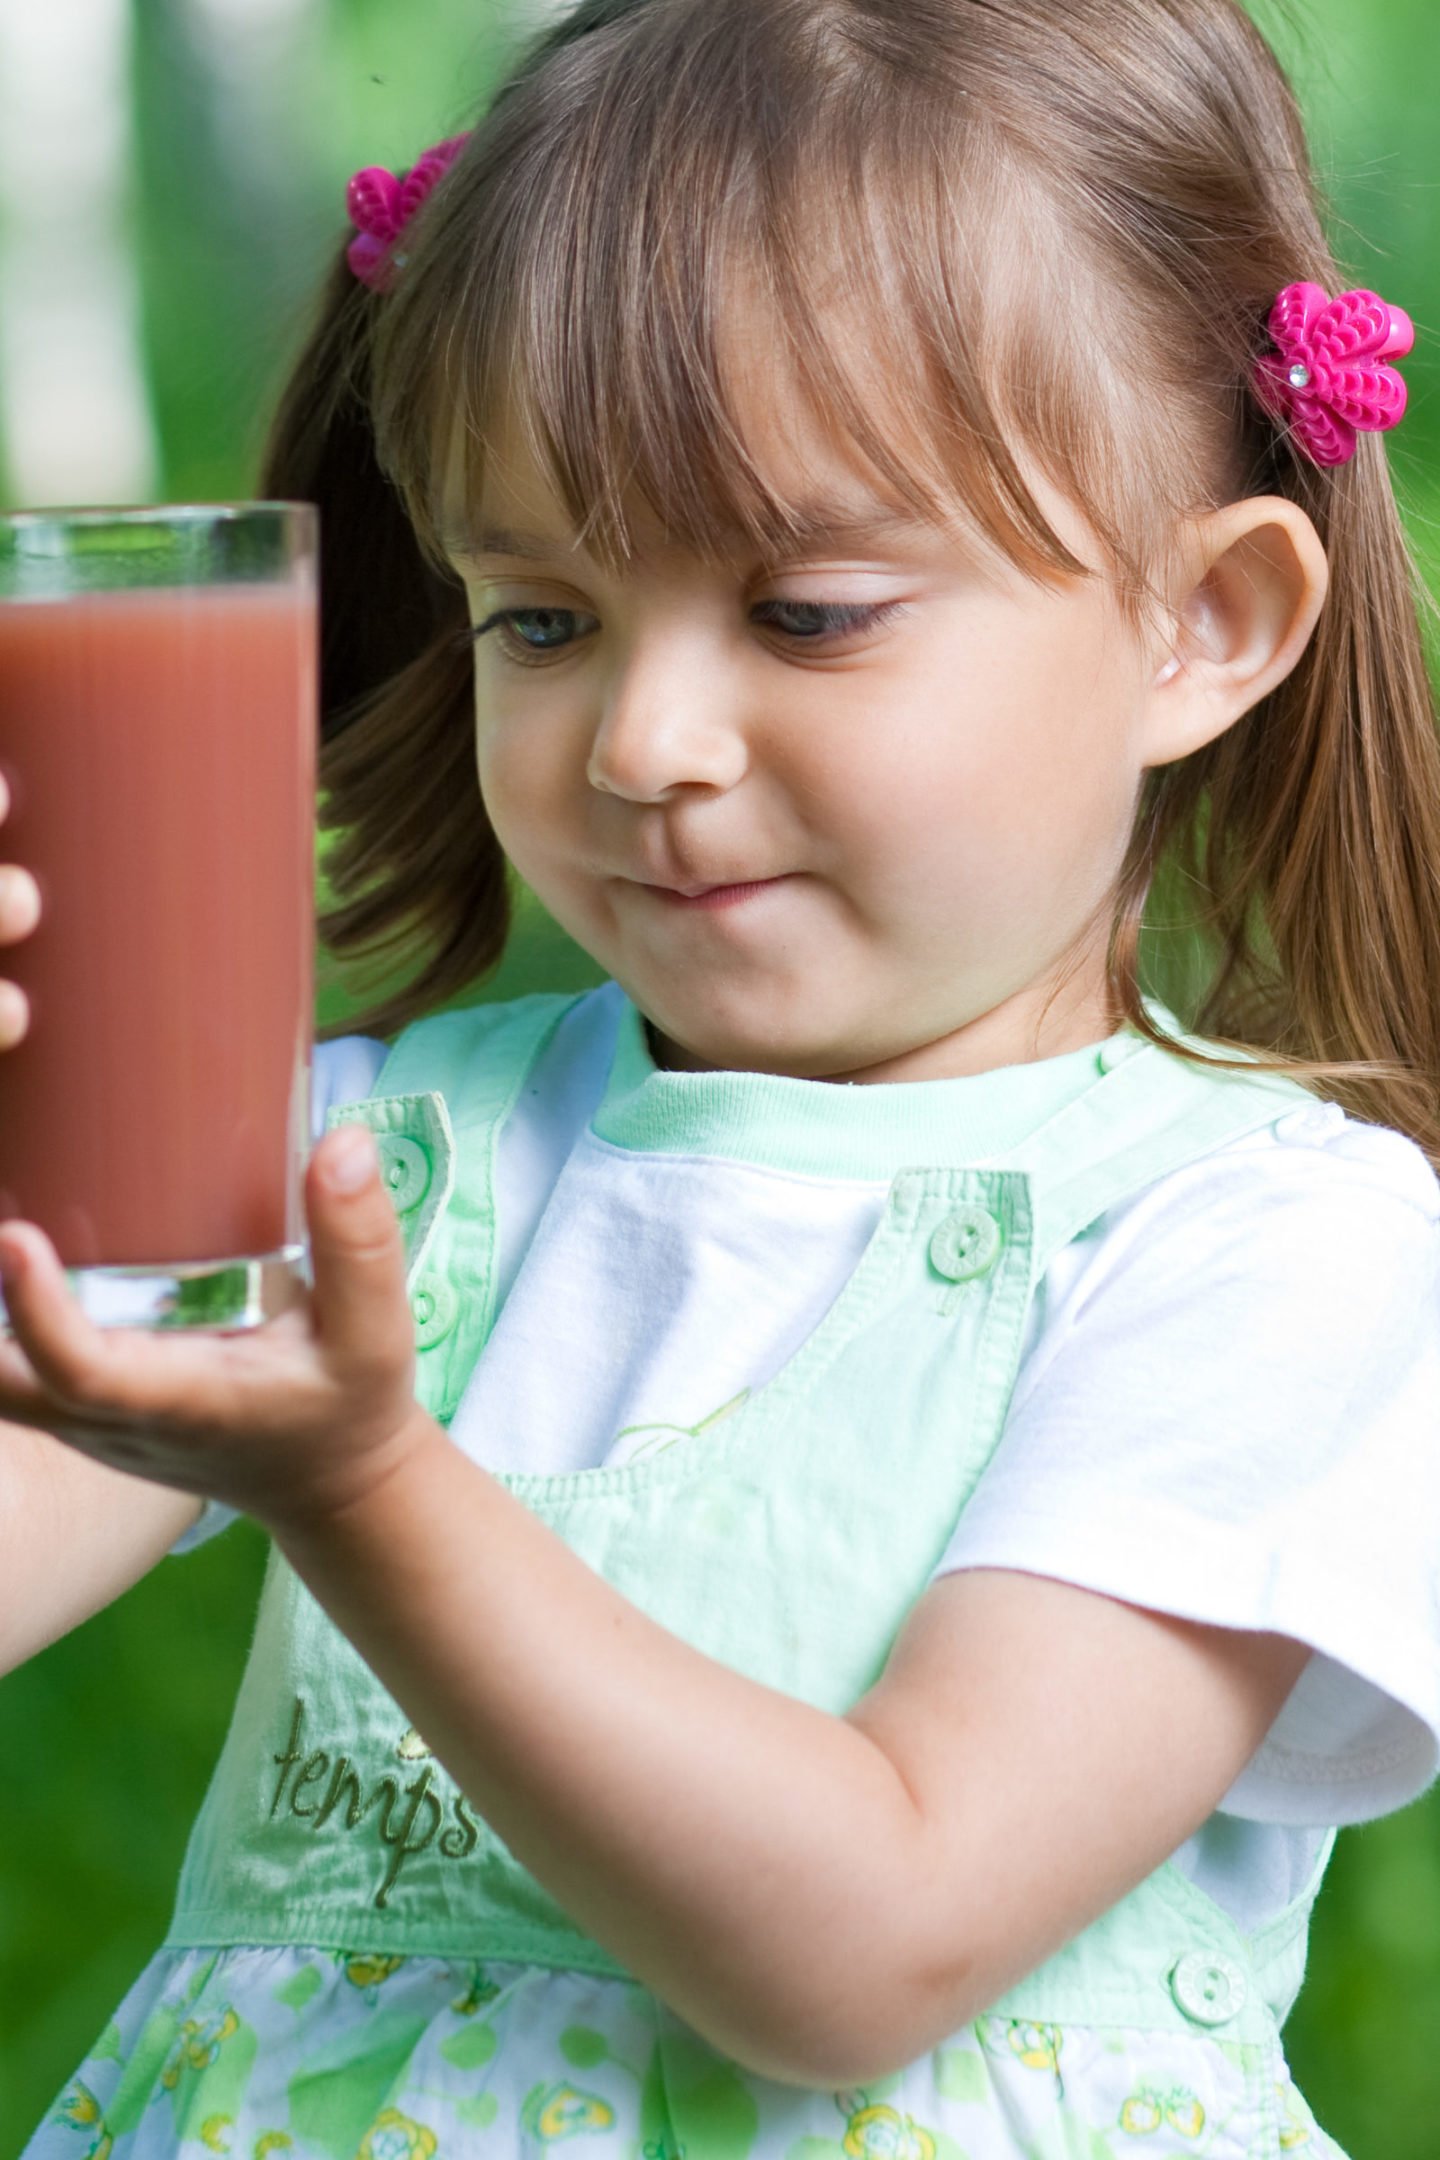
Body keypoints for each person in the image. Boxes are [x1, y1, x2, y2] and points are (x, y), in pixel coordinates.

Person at [5, 0, 1440, 2152]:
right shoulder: (367, 1155)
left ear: (1203, 625)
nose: (646, 747)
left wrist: (370, 1490)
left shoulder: (1263, 1246)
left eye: (808, 612)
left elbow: (861, 1944)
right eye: (544, 618)